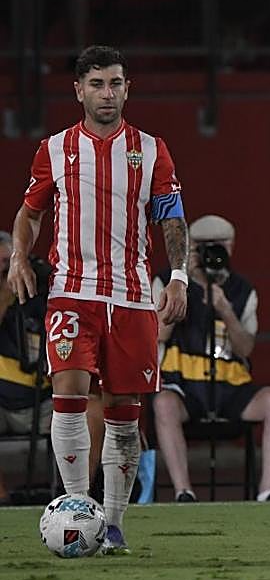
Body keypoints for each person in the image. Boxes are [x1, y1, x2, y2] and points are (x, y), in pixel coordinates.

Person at [6, 45, 189, 553]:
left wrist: (178, 277)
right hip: (71, 292)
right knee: (68, 393)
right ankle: (75, 508)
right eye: (97, 84)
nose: (107, 94)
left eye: (115, 83)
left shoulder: (152, 149)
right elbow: (30, 212)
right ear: (79, 91)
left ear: (127, 88)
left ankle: (111, 525)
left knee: (124, 409)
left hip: (132, 298)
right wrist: (21, 257)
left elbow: (170, 216)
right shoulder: (55, 149)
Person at [153, 214, 270, 502]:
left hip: (230, 388)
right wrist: (185, 285)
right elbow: (159, 335)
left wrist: (226, 311)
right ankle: (183, 492)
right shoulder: (167, 282)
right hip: (184, 387)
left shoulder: (242, 290)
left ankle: (268, 491)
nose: (214, 253)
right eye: (205, 247)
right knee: (163, 403)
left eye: (221, 246)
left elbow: (245, 349)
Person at [0, 232, 52, 504]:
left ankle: (77, 496)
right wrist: (5, 295)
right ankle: (2, 499)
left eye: (10, 265)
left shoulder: (38, 296)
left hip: (43, 400)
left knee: (91, 408)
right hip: (3, 403)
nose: (7, 273)